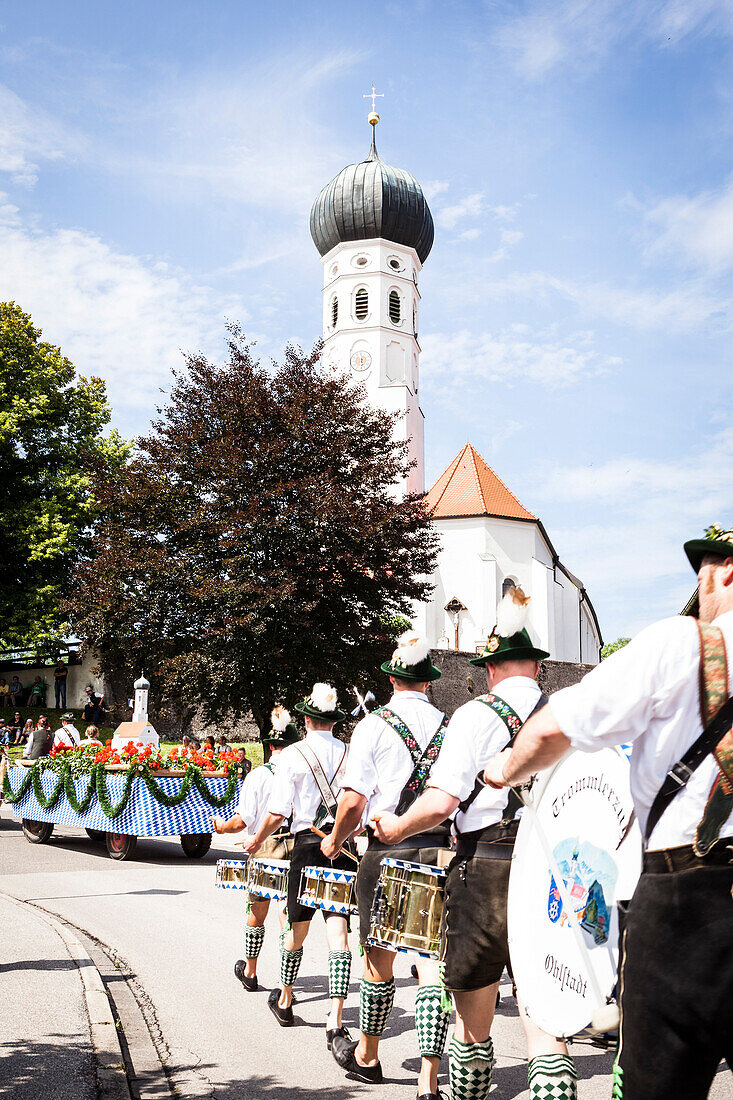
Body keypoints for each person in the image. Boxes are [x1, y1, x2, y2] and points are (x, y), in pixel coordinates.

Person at [482, 526, 733, 1100]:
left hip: (687, 895)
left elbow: (551, 730)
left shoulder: (686, 643)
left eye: (703, 575)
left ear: (728, 571)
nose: (699, 593)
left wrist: (503, 772)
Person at [372, 596, 578, 1100]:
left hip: (489, 863)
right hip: (560, 865)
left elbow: (442, 802)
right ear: (538, 667)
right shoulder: (571, 712)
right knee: (544, 1012)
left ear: (489, 671)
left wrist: (397, 828)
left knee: (473, 1016)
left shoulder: (473, 716)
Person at [322, 631, 450, 1097]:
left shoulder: (373, 725)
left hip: (387, 849)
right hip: (439, 848)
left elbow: (354, 801)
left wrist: (336, 840)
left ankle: (369, 1055)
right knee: (433, 961)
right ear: (429, 682)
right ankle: (428, 1079)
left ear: (392, 679)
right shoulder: (450, 725)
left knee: (380, 958)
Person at [239, 684, 353, 1047]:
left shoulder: (292, 755)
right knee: (339, 935)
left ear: (305, 719)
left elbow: (278, 813)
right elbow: (361, 808)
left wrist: (256, 839)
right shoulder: (351, 754)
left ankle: (286, 999)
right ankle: (335, 1019)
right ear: (334, 721)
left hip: (305, 847)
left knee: (296, 930)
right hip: (343, 848)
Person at [213, 707, 299, 991]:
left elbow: (242, 821)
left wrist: (222, 827)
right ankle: (286, 986)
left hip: (265, 847)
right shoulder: (304, 775)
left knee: (256, 912)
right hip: (297, 847)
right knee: (288, 918)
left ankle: (250, 972)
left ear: (270, 746)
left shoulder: (258, 776)